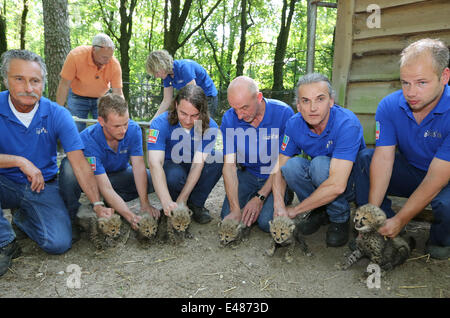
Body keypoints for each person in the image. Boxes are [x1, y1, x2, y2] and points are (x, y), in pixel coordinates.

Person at [0, 50, 112, 277]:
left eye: (35, 81)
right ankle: (6, 242)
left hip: (42, 185)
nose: (28, 88)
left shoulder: (57, 114)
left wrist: (97, 203)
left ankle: (22, 218)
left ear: (42, 83)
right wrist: (19, 161)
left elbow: (79, 164)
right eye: (19, 79)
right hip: (4, 181)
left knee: (58, 243)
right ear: (5, 79)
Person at [354, 38, 450, 259]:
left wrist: (401, 218)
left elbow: (437, 178)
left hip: (444, 179)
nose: (411, 92)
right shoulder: (389, 106)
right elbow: (384, 159)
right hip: (413, 170)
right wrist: (371, 216)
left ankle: (440, 239)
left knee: (446, 204)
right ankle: (382, 229)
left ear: (444, 77)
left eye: (421, 83)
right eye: (405, 83)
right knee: (365, 159)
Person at [273, 73, 366, 247]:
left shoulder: (347, 123)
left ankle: (339, 217)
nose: (312, 108)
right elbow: (279, 165)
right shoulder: (294, 124)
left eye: (320, 99)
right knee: (292, 166)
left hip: (350, 184)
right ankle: (319, 211)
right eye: (306, 101)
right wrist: (278, 204)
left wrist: (296, 210)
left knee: (319, 165)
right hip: (321, 180)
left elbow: (337, 184)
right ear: (298, 106)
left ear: (331, 101)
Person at [59, 93, 159, 231]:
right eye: (117, 126)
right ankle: (72, 216)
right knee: (68, 166)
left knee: (151, 178)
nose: (123, 130)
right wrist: (130, 217)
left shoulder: (134, 130)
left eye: (125, 123)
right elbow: (104, 185)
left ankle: (110, 201)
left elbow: (139, 167)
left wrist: (145, 203)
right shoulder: (88, 140)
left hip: (119, 174)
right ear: (101, 121)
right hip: (95, 179)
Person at [221, 76, 295, 233]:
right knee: (228, 216)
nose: (239, 116)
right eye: (235, 109)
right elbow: (229, 165)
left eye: (244, 108)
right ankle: (247, 204)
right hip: (248, 174)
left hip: (276, 175)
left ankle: (282, 197)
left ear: (259, 97)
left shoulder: (283, 113)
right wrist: (235, 209)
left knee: (265, 223)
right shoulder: (229, 119)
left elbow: (282, 163)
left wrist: (260, 198)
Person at [147, 84, 222, 223]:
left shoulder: (209, 126)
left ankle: (195, 204)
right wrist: (165, 201)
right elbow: (155, 163)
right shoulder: (160, 123)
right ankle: (173, 205)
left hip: (194, 163)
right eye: (183, 113)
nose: (188, 120)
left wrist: (184, 198)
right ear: (176, 105)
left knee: (218, 159)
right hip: (172, 164)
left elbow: (197, 165)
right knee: (173, 176)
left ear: (202, 111)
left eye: (194, 115)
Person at [56, 33, 123, 131]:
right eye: (104, 57)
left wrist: (122, 115)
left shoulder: (114, 64)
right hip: (77, 97)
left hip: (102, 98)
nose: (108, 60)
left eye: (110, 56)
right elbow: (64, 85)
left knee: (105, 129)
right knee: (75, 129)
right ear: (93, 50)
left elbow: (118, 92)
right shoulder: (75, 56)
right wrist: (58, 111)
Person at [146, 50, 219, 119]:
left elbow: (193, 95)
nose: (156, 76)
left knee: (199, 126)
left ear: (162, 65)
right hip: (193, 99)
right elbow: (166, 101)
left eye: (156, 72)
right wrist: (153, 120)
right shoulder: (166, 77)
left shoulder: (184, 67)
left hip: (208, 97)